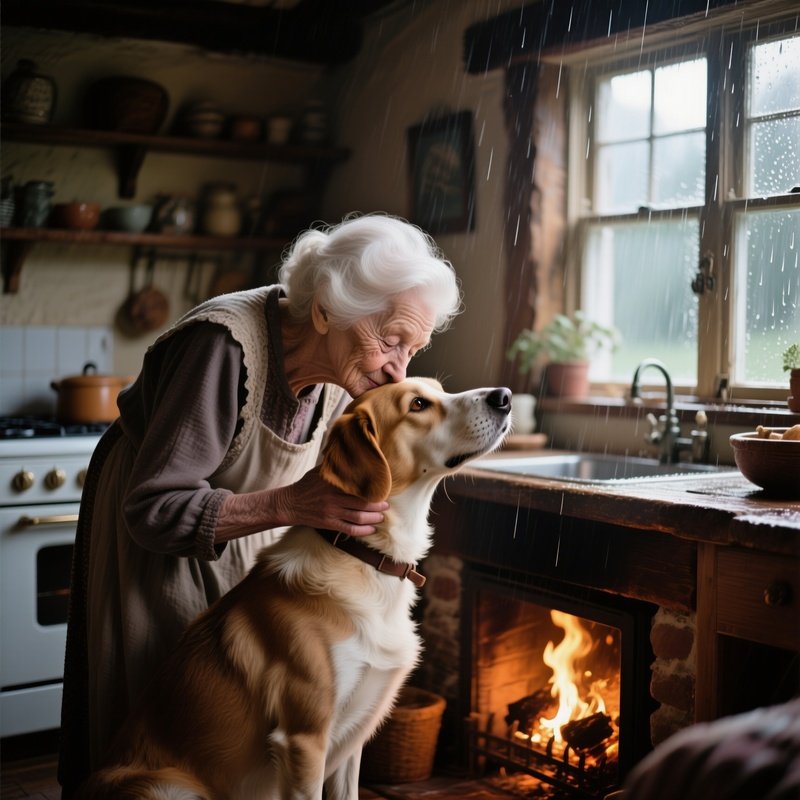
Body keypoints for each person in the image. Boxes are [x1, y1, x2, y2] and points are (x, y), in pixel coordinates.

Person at [57, 213, 462, 798]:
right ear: (326, 310)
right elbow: (155, 507)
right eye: (391, 340)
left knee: (233, 734)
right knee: (165, 719)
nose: (399, 368)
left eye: (414, 348)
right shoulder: (222, 347)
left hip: (245, 534)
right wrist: (293, 504)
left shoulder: (343, 368)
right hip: (149, 541)